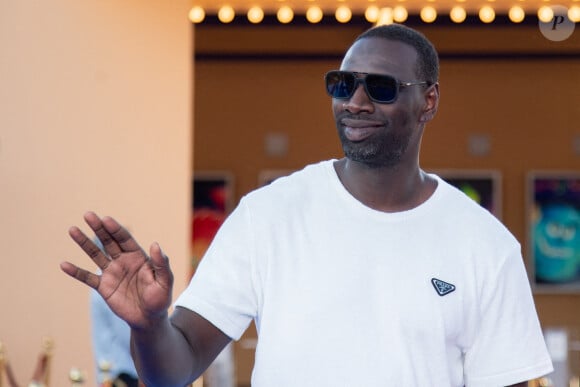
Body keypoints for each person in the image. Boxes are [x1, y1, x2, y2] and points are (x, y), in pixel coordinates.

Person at [60, 24, 554, 387]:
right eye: (342, 84)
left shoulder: (485, 245)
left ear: (428, 101)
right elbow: (174, 369)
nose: (355, 101)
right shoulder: (267, 216)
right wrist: (148, 327)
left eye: (380, 88)